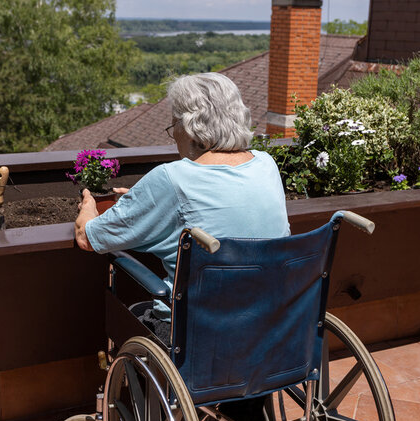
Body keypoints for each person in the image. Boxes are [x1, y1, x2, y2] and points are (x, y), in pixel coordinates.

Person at [74, 72, 290, 339]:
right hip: (268, 325)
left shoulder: (172, 178)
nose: (173, 133)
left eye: (173, 124)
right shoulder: (266, 164)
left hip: (199, 334)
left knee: (128, 315)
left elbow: (88, 237)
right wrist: (146, 202)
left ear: (189, 127)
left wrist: (89, 206)